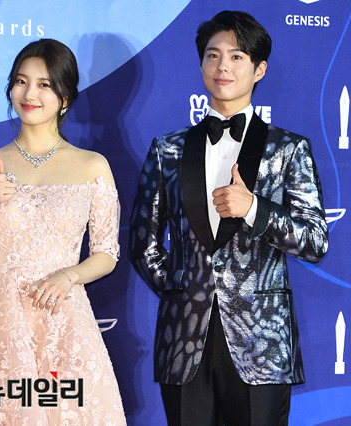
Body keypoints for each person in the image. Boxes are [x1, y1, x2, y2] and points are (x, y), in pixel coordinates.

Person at [129, 10, 328, 426]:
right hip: (184, 340)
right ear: (201, 63)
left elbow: (314, 241)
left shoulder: (289, 149)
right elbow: (143, 244)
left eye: (237, 56)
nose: (223, 66)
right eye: (213, 55)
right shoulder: (167, 150)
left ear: (259, 69)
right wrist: (184, 288)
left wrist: (254, 208)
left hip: (262, 344)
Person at [0, 39, 126, 425]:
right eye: (21, 81)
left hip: (60, 324)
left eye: (44, 85)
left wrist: (70, 276)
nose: (30, 94)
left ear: (65, 97)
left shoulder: (92, 166)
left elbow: (106, 253)